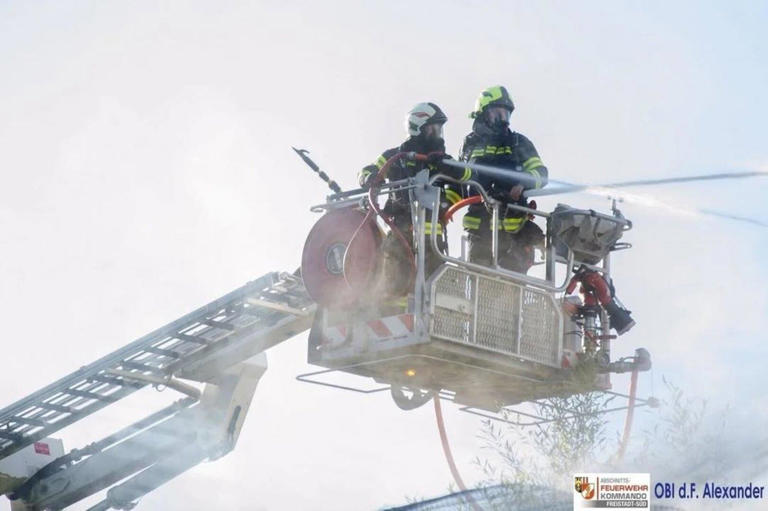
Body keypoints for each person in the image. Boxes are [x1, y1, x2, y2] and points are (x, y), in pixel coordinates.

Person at [359, 102, 472, 297]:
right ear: (418, 128)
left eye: (439, 128)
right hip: (399, 231)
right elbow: (367, 171)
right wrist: (369, 178)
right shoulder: (395, 156)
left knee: (432, 289)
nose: (438, 133)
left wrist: (444, 202)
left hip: (432, 238)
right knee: (394, 284)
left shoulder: (443, 160)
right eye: (433, 128)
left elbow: (466, 177)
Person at [460, 85, 548, 273]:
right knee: (479, 283)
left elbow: (541, 174)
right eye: (497, 114)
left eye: (506, 115)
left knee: (510, 286)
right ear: (483, 114)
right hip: (480, 232)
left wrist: (523, 183)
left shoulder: (519, 143)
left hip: (514, 235)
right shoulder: (470, 145)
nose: (503, 120)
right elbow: (461, 179)